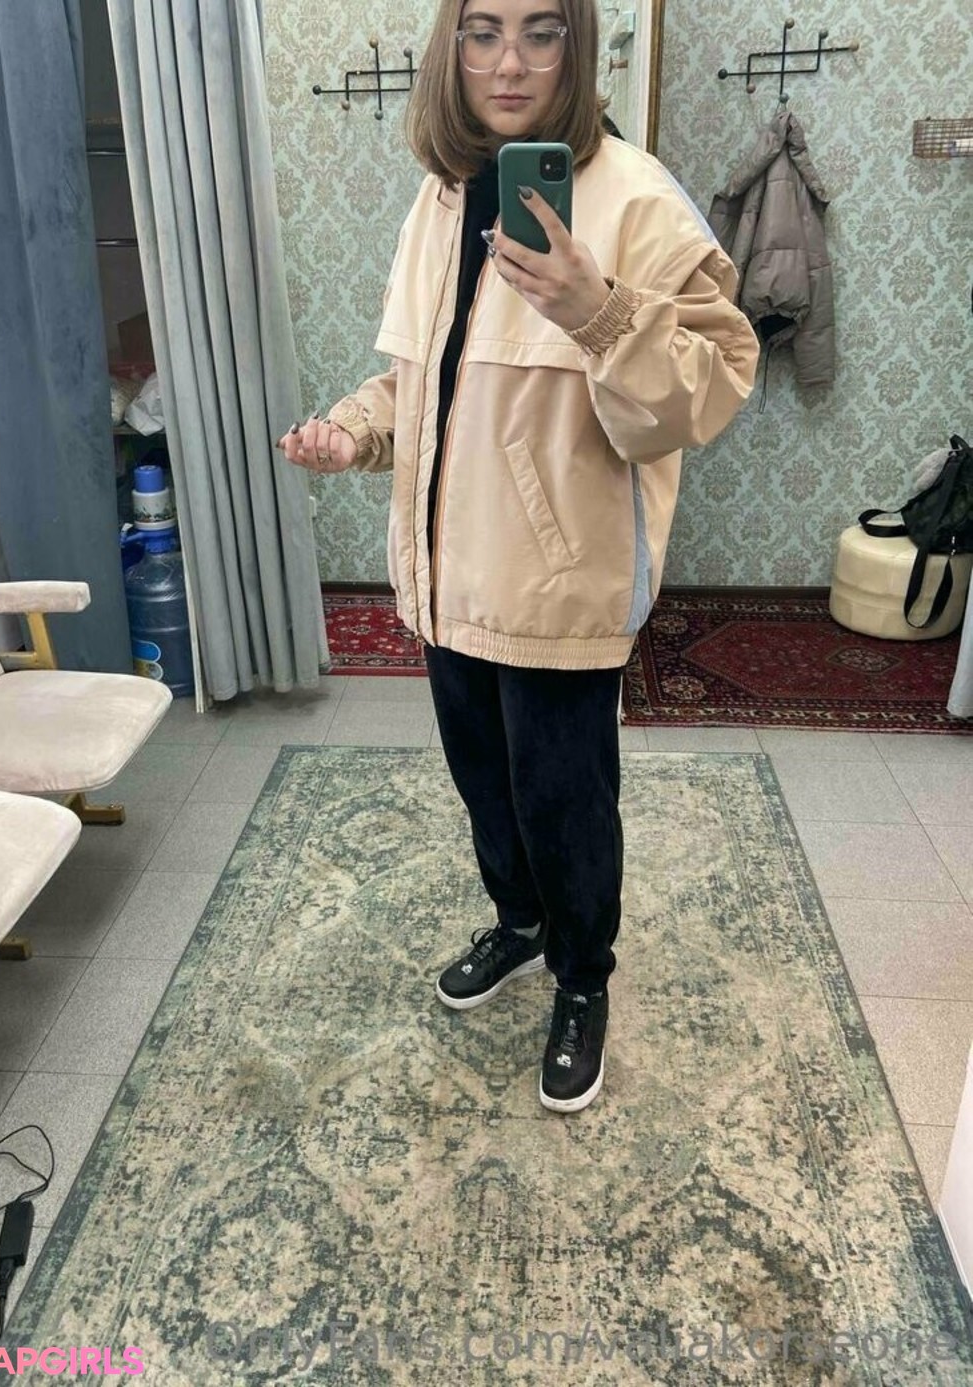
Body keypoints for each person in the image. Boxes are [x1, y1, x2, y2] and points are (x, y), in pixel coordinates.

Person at [280, 0, 759, 1114]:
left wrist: (601, 312)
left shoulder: (637, 199)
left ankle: (581, 978)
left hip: (558, 584)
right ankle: (521, 921)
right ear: (450, 49)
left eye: (541, 33)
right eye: (483, 32)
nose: (509, 63)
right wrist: (354, 431)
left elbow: (709, 389)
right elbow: (427, 380)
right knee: (485, 785)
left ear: (576, 48)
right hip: (446, 577)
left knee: (565, 804)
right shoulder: (443, 197)